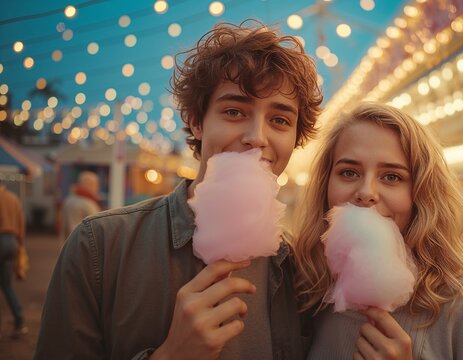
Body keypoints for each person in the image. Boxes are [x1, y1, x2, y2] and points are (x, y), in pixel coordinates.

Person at [35, 20, 322, 359]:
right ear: (197, 121)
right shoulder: (99, 247)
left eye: (280, 120)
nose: (257, 137)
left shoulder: (302, 272)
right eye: (234, 111)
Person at [293, 103, 463, 359]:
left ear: (421, 194)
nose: (367, 193)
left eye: (392, 177)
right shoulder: (308, 291)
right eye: (349, 172)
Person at [0, 182, 29, 338]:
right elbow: (21, 223)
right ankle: (19, 320)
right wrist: (21, 246)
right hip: (12, 241)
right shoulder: (13, 198)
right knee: (6, 285)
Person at [60, 170, 101, 240]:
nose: (97, 188)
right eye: (96, 185)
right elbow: (96, 227)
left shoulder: (69, 199)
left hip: (69, 241)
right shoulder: (89, 204)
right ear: (90, 185)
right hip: (83, 242)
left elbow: (64, 226)